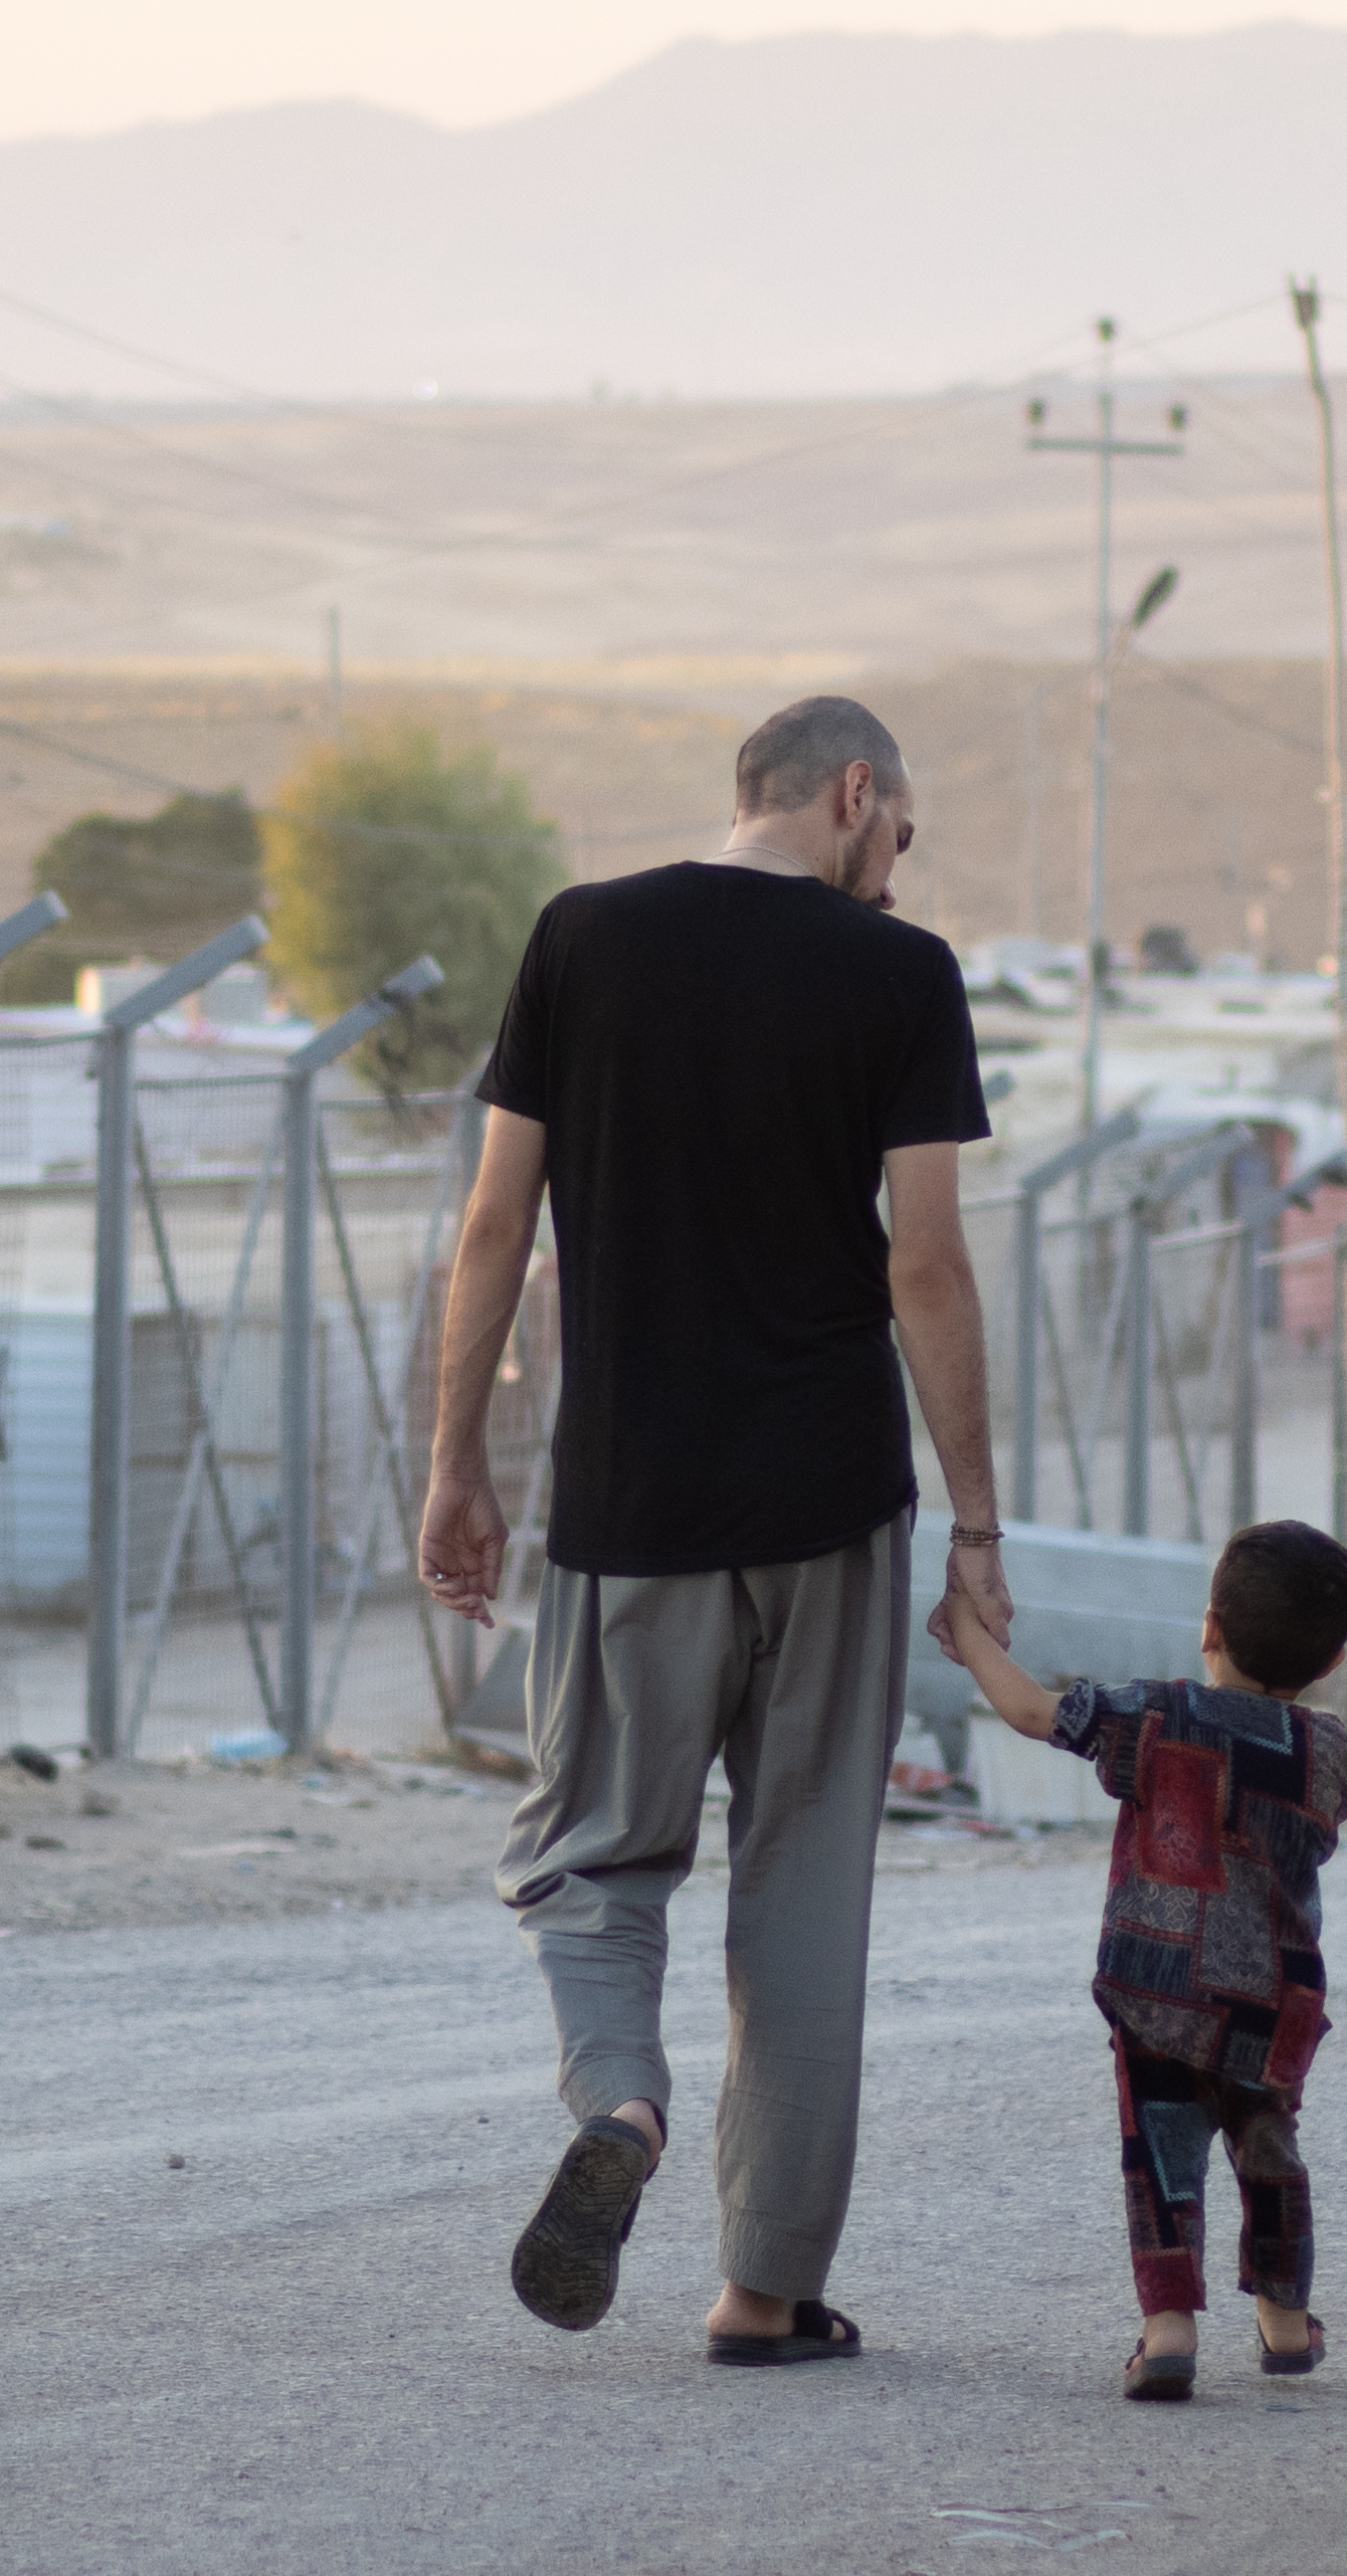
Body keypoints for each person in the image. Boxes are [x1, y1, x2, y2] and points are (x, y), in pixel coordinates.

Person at [422, 694, 1006, 2367]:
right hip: (831, 1501)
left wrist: (459, 1459)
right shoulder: (903, 977)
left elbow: (494, 1221)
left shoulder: (581, 938)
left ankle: (623, 2101)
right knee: (806, 1887)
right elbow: (926, 1266)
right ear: (849, 792)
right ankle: (762, 2289)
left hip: (629, 1501)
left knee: (590, 1858)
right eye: (898, 832)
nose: (897, 869)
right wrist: (974, 1522)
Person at [937, 1517, 1347, 2403]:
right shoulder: (1332, 1754)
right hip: (1271, 2008)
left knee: (1159, 2153)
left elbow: (1031, 1710)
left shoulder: (1157, 1715)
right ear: (1329, 1664)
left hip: (1160, 1993)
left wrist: (968, 1633)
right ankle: (1286, 2322)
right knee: (1270, 2152)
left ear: (1207, 1626)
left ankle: (1168, 2329)